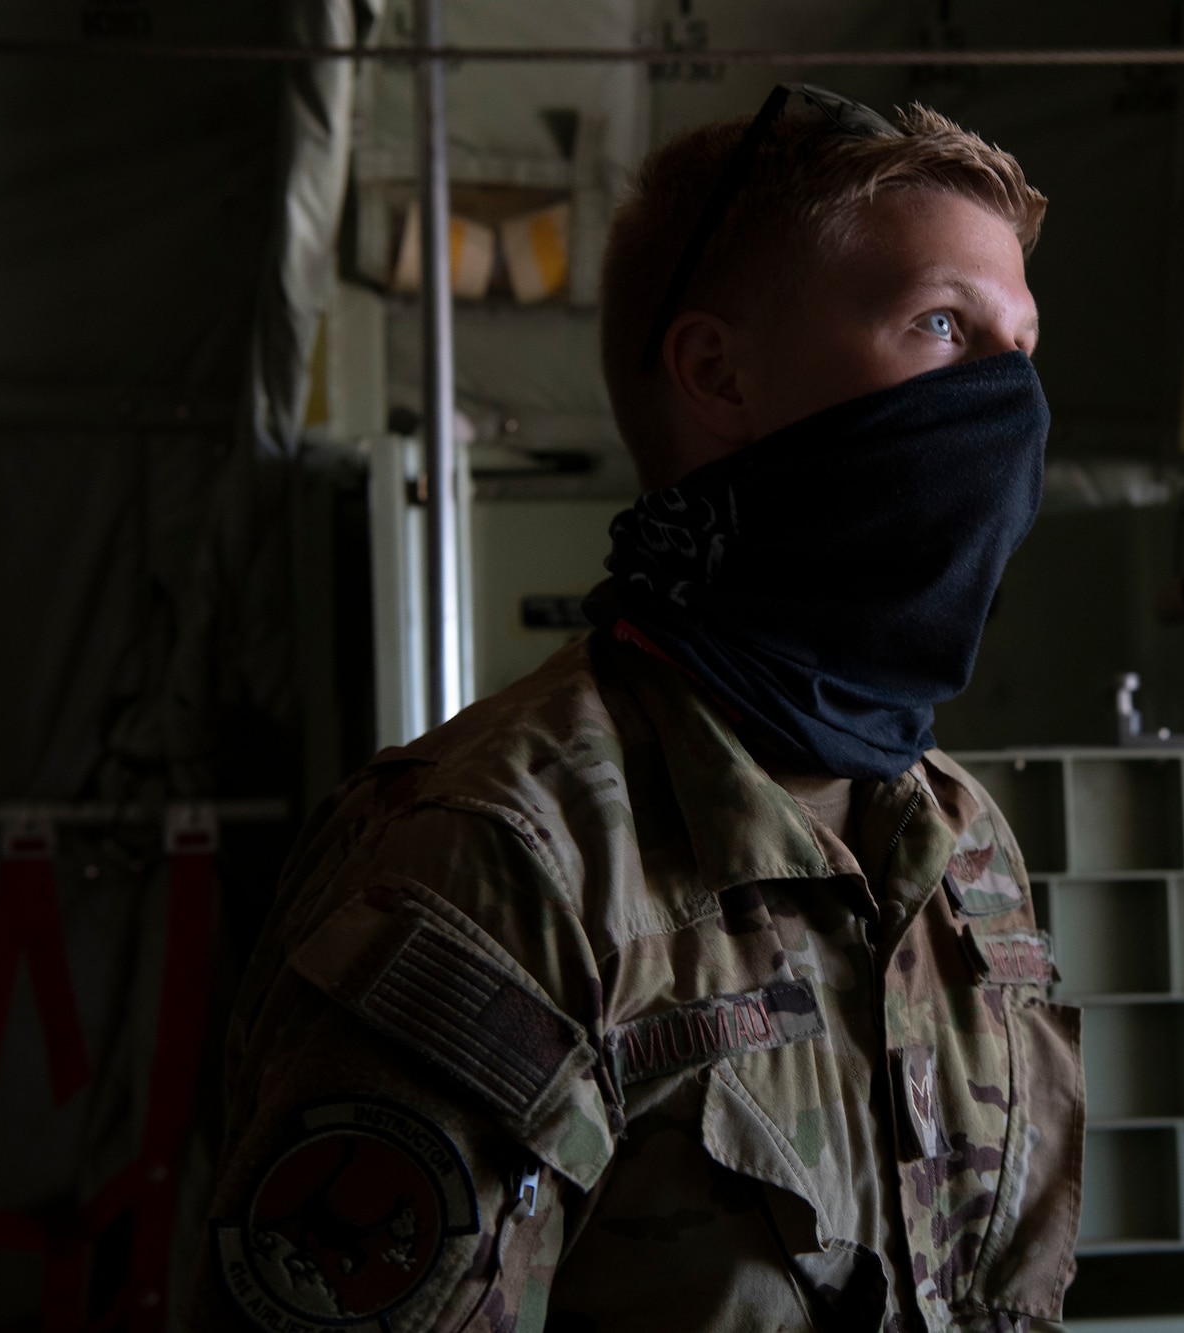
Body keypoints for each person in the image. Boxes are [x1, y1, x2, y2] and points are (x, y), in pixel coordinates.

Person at [193, 85, 1083, 1333]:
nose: (1011, 410)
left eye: (1021, 350)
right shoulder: (495, 863)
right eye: (941, 324)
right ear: (717, 373)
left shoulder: (958, 842)